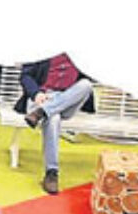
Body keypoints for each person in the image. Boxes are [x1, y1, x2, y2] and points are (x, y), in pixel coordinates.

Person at [16, 53, 95, 195]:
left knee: (86, 85)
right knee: (53, 118)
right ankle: (51, 172)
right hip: (42, 98)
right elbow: (25, 76)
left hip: (67, 101)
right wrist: (36, 93)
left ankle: (42, 112)